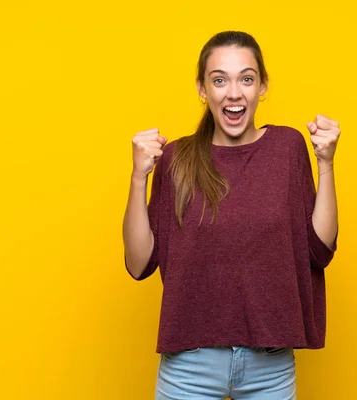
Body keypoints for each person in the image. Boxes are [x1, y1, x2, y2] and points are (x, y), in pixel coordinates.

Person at [122, 30, 340, 400]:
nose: (234, 92)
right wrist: (138, 176)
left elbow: (320, 249)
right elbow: (138, 263)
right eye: (219, 79)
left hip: (269, 367)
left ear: (263, 87)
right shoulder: (178, 157)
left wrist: (327, 165)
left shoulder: (287, 147)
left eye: (247, 78)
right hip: (189, 366)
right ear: (203, 89)